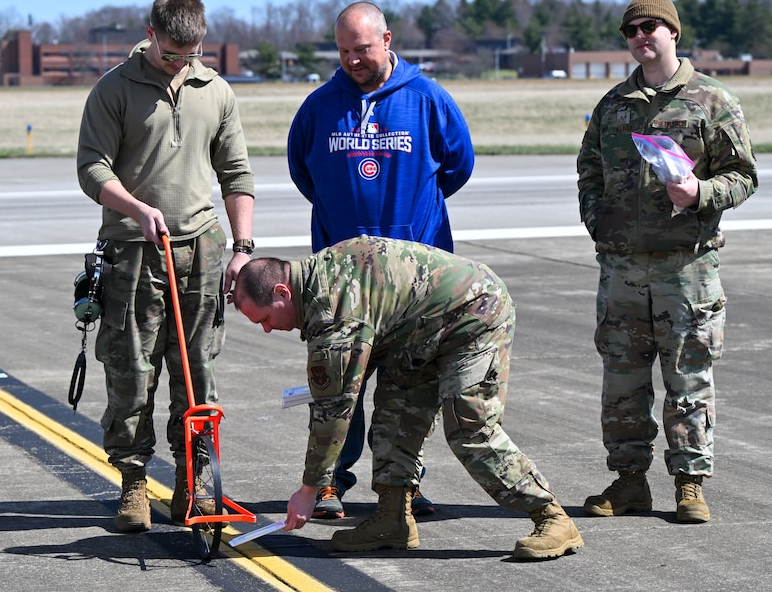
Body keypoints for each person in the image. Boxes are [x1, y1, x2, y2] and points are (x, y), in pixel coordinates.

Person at [231, 235, 583, 559]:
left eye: (263, 318)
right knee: (394, 418)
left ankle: (552, 516)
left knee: (469, 427)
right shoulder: (318, 281)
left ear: (282, 292)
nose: (266, 329)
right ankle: (392, 519)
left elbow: (334, 411)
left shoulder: (334, 310)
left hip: (474, 314)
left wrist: (309, 490)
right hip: (418, 333)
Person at [287, 1, 474, 519]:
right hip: (341, 281)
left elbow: (458, 167)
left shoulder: (428, 99)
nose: (353, 60)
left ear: (387, 40)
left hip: (414, 281)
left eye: (363, 49)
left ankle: (402, 485)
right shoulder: (319, 107)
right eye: (344, 51)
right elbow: (305, 175)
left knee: (408, 388)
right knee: (337, 385)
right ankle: (329, 483)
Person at [77, 0, 255, 533]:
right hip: (134, 252)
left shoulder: (216, 90)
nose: (183, 63)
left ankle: (192, 481)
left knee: (197, 371)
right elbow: (92, 169)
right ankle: (133, 481)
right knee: (131, 369)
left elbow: (237, 175)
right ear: (150, 34)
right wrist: (134, 207)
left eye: (192, 52)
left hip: (202, 250)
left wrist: (242, 250)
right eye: (173, 53)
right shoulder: (114, 89)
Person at [577, 0, 757, 523]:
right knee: (623, 382)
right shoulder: (613, 106)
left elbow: (744, 175)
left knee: (688, 377)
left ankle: (689, 484)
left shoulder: (712, 100)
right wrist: (598, 222)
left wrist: (700, 194)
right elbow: (589, 171)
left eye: (650, 27)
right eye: (631, 31)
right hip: (623, 270)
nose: (640, 37)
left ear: (672, 33)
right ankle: (629, 481)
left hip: (686, 269)